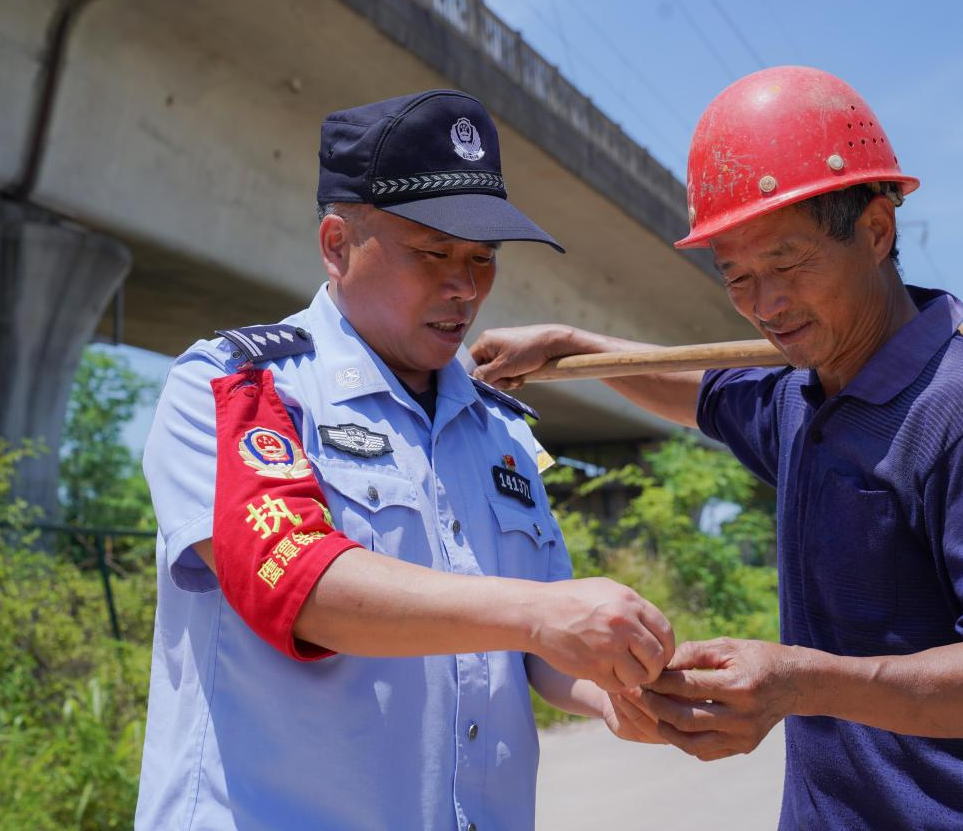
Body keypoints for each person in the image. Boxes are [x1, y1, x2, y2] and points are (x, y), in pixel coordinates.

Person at [471, 67, 963, 830]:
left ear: (876, 230)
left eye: (790, 264)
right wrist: (575, 345)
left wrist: (801, 681)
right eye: (737, 277)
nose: (766, 305)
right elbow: (704, 394)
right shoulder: (807, 397)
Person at [134, 90, 672, 831]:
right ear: (335, 244)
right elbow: (297, 583)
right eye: (433, 254)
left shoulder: (500, 430)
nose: (465, 287)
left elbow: (533, 649)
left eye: (482, 259)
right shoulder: (240, 386)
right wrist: (542, 614)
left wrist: (622, 689)